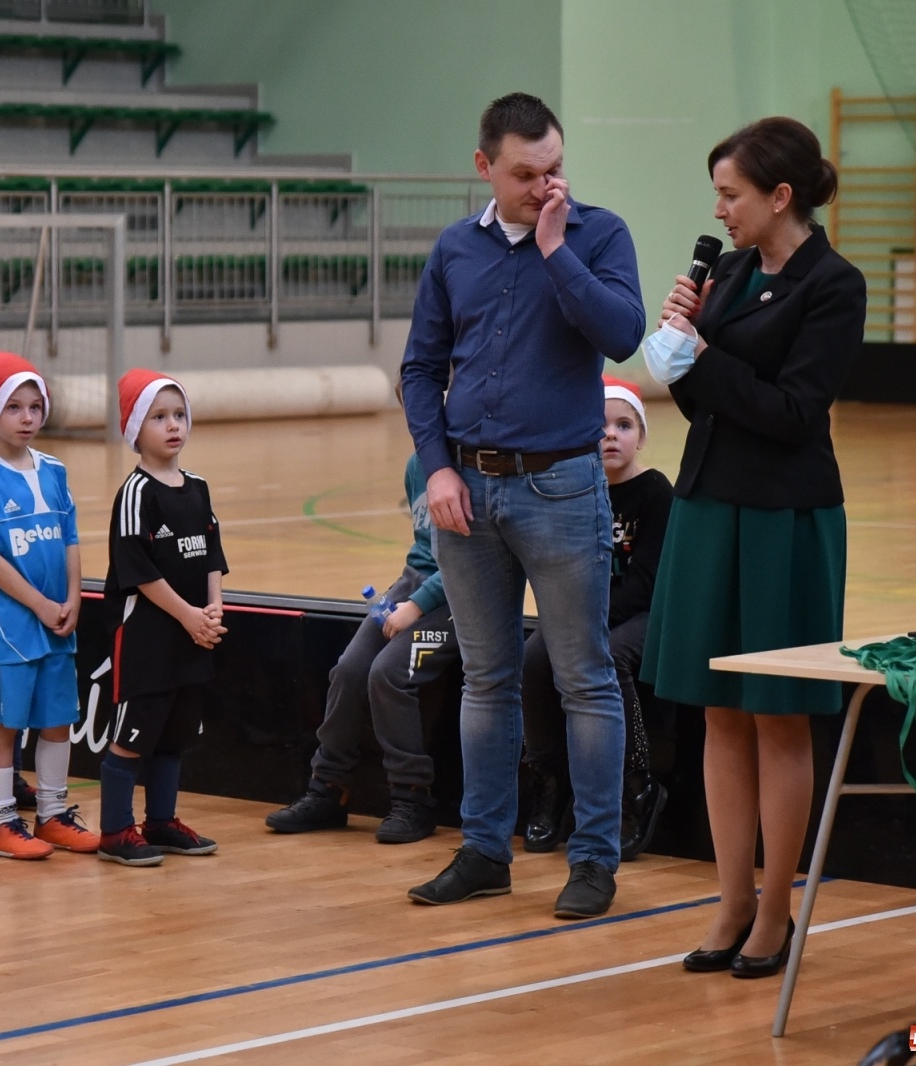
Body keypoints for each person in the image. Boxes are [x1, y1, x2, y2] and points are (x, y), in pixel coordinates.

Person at [399, 92, 644, 917]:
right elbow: (419, 368)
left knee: (585, 678)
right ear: (484, 168)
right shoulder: (452, 249)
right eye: (526, 174)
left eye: (555, 170)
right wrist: (436, 469)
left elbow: (622, 335)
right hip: (467, 490)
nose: (547, 187)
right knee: (486, 679)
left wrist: (554, 252)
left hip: (562, 487)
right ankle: (482, 850)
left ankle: (595, 861)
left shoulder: (596, 233)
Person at [643, 116, 865, 978]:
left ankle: (777, 909)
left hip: (784, 517)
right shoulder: (728, 273)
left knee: (780, 715)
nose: (720, 211)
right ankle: (730, 900)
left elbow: (790, 414)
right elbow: (715, 406)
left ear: (782, 196)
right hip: (709, 504)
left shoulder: (833, 285)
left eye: (732, 195)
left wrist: (703, 357)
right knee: (718, 710)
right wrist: (682, 356)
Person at [264, 424, 458, 844]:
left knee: (388, 672)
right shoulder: (415, 466)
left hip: (464, 597)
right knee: (350, 669)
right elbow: (425, 549)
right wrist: (407, 594)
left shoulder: (474, 467)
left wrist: (417, 605)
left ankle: (413, 798)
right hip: (415, 583)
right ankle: (329, 788)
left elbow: (469, 563)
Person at [0, 352, 95, 859]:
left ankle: (54, 814)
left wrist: (73, 598)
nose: (28, 417)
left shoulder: (54, 469)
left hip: (58, 619)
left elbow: (71, 538)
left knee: (57, 718)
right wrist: (37, 602)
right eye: (14, 407)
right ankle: (0, 824)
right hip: (7, 623)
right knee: (5, 722)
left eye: (35, 407)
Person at [522, 377, 672, 862]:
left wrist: (585, 621)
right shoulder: (575, 490)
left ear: (641, 436)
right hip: (583, 611)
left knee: (606, 656)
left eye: (623, 425)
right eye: (601, 425)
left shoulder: (655, 493)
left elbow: (646, 584)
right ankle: (553, 782)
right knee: (533, 659)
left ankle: (638, 786)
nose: (611, 435)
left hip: (643, 615)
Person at [97, 369, 227, 867]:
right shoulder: (136, 494)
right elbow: (138, 570)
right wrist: (189, 615)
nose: (173, 426)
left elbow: (213, 551)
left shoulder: (198, 487)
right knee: (134, 736)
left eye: (178, 415)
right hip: (150, 635)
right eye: (158, 417)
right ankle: (114, 831)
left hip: (193, 632)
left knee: (174, 735)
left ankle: (162, 820)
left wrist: (212, 607)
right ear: (134, 428)